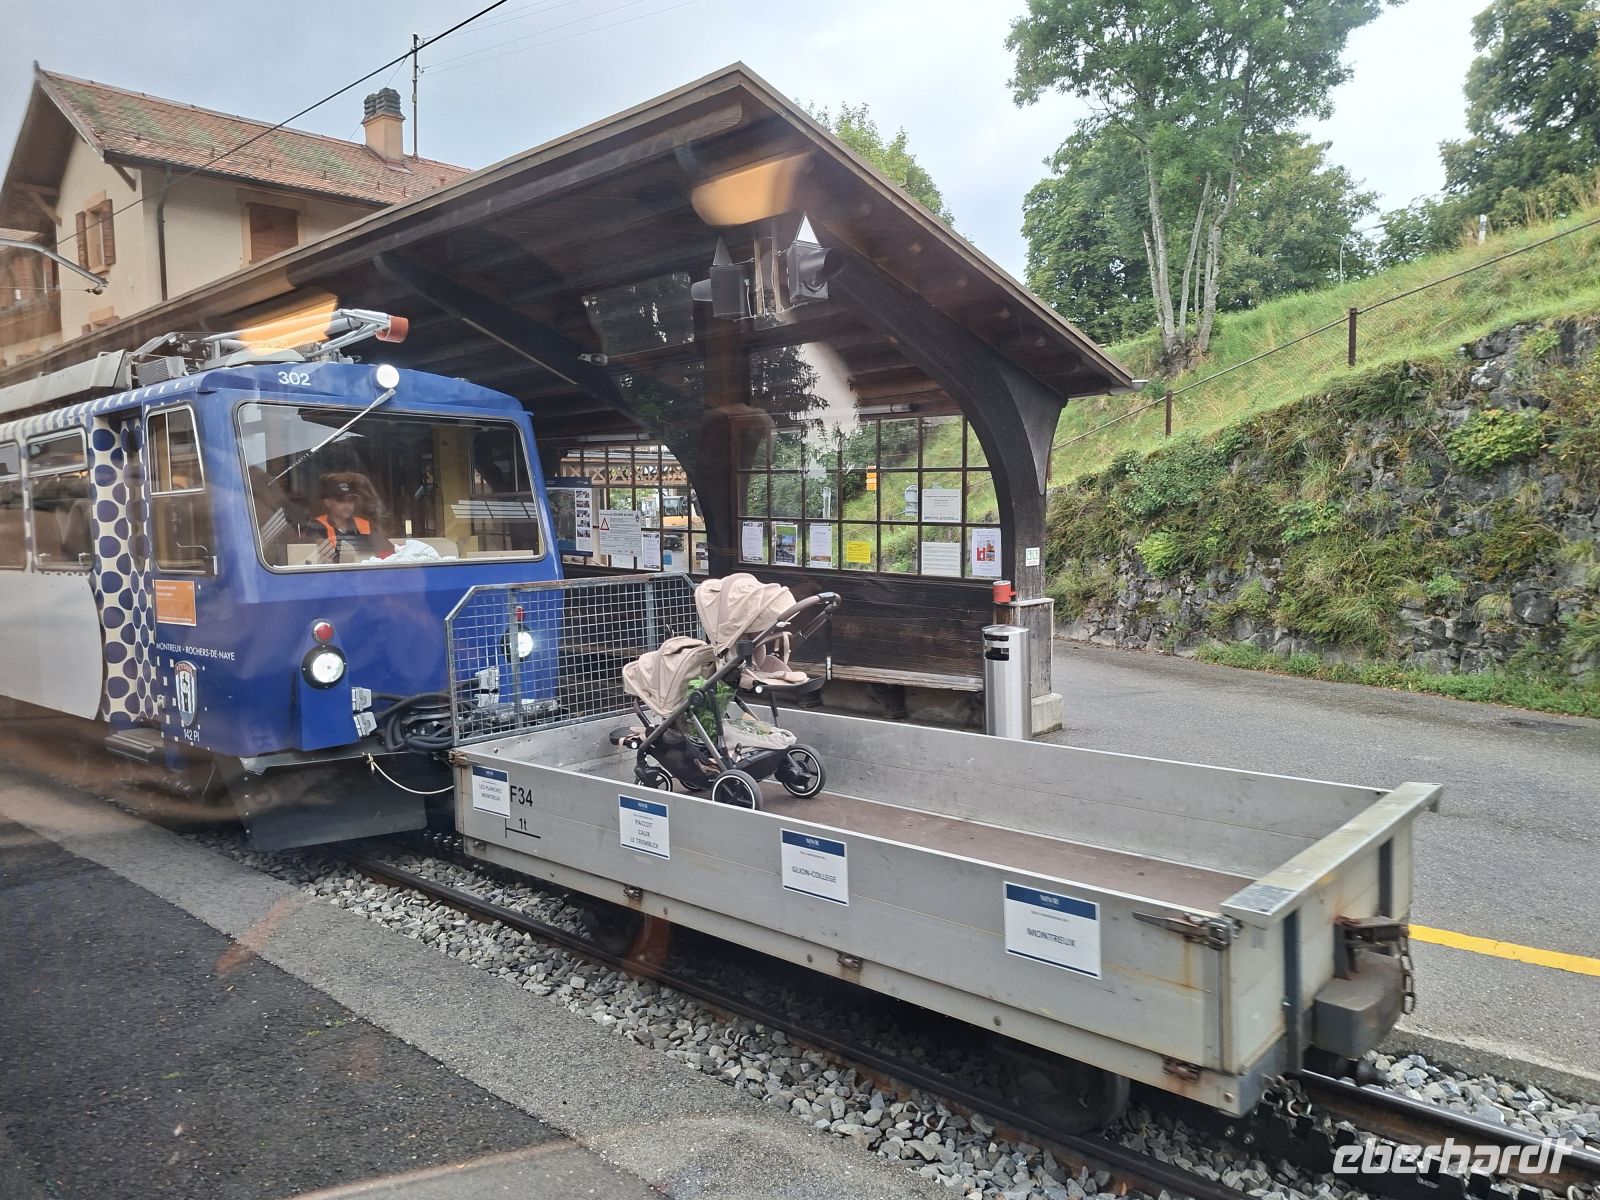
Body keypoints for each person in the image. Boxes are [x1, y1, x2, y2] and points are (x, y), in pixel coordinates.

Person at [310, 472, 395, 560]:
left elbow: (390, 555)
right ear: (328, 502)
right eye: (341, 501)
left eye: (350, 501)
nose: (347, 506)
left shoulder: (365, 525)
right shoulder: (316, 527)